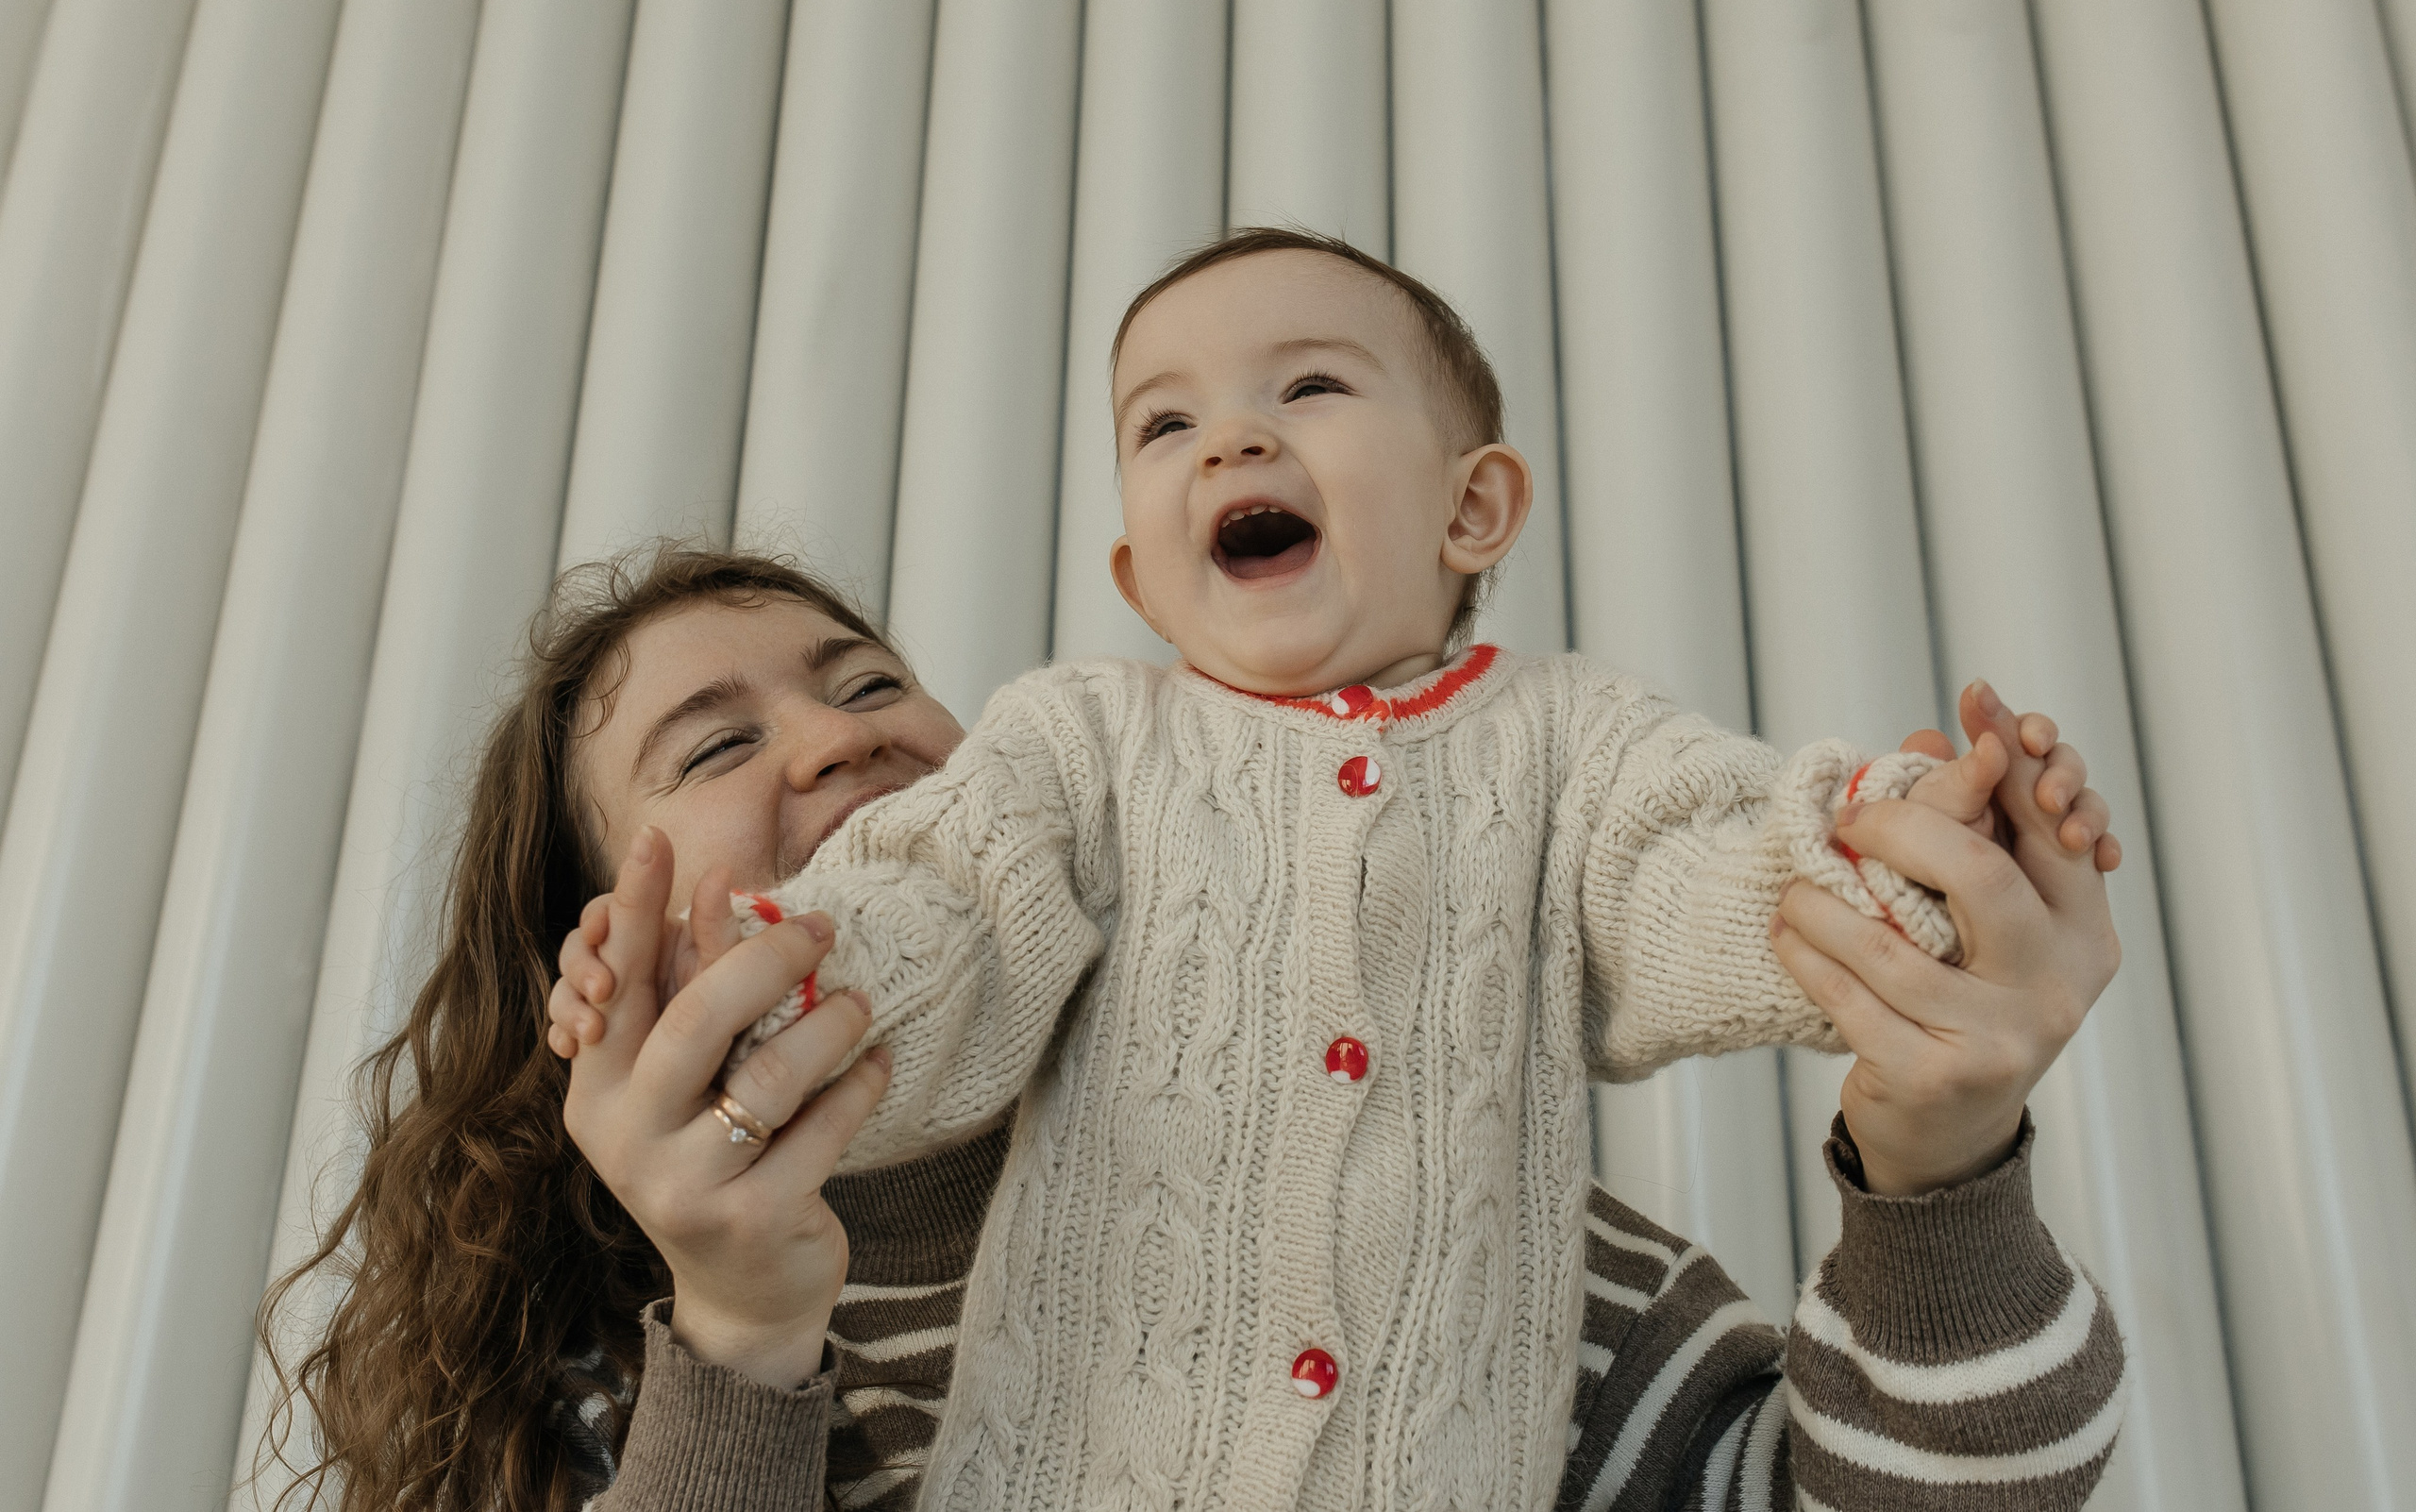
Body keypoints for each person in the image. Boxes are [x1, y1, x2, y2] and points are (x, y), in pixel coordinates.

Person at [556, 230, 2124, 1511]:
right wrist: (774, 992)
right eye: (1163, 424)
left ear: (1472, 505)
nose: (834, 748)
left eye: (1307, 386)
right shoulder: (1081, 743)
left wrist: (1906, 884)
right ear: (1141, 585)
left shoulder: (1566, 769)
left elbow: (1692, 862)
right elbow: (950, 899)